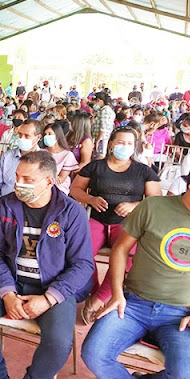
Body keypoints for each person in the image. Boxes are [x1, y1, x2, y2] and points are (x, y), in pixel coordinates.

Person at [82, 156, 190, 379]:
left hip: (183, 315)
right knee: (94, 354)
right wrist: (116, 293)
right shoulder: (154, 208)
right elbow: (120, 250)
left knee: (189, 378)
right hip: (133, 303)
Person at [0, 151, 94, 379]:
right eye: (17, 177)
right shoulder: (5, 206)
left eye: (28, 179)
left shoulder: (71, 212)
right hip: (11, 280)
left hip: (52, 287)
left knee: (58, 341)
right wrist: (7, 293)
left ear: (49, 181)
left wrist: (49, 299)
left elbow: (83, 265)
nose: (18, 184)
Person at [70, 127, 161, 324]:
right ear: (111, 144)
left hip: (127, 224)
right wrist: (91, 199)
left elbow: (155, 199)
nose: (125, 147)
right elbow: (75, 189)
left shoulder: (143, 170)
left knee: (127, 256)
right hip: (97, 220)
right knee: (80, 252)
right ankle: (91, 289)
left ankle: (98, 300)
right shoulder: (95, 167)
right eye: (121, 143)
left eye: (130, 144)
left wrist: (134, 206)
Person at [0, 119, 43, 206]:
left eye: (27, 136)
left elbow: (45, 193)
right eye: (20, 135)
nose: (22, 138)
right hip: (4, 206)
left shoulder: (44, 160)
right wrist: (0, 207)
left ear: (38, 137)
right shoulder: (7, 157)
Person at [42, 123, 78, 194]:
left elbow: (60, 179)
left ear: (57, 136)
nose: (46, 136)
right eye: (45, 134)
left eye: (49, 134)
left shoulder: (67, 155)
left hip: (59, 190)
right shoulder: (40, 152)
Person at [91, 91, 115, 158]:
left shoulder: (105, 111)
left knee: (99, 157)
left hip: (101, 139)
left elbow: (103, 128)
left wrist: (97, 141)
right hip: (101, 138)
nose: (95, 104)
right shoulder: (103, 110)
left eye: (95, 101)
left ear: (99, 100)